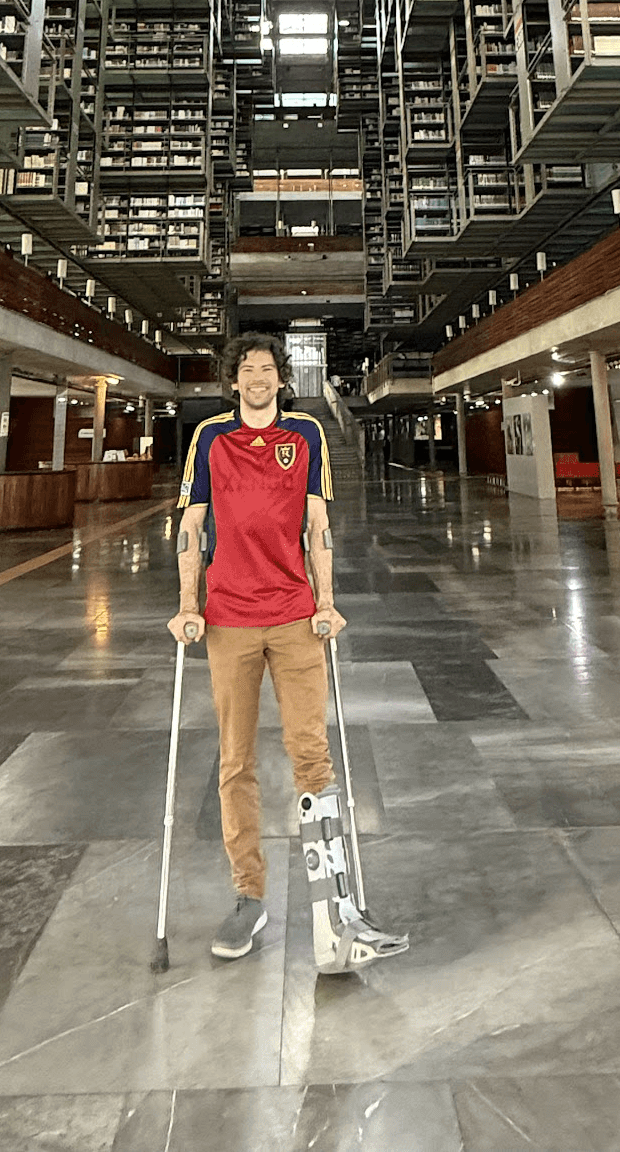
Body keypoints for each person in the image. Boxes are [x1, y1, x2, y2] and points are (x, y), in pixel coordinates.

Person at [171, 333, 408, 975]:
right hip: (228, 619)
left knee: (312, 753)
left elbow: (319, 524)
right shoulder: (210, 439)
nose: (256, 379)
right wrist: (188, 605)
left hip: (296, 615)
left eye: (267, 370)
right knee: (235, 760)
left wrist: (327, 601)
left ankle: (336, 904)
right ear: (233, 379)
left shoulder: (305, 435)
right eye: (246, 370)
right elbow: (191, 527)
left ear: (282, 378)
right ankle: (249, 896)